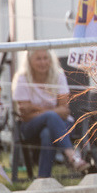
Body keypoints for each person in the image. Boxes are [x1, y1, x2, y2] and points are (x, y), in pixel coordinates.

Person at [12, 49, 88, 177]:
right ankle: (72, 156)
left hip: (62, 125)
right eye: (38, 59)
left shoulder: (58, 75)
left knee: (47, 133)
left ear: (50, 59)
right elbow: (24, 115)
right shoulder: (22, 78)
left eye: (45, 58)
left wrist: (34, 108)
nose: (43, 62)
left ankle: (43, 178)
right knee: (51, 116)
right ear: (30, 61)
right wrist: (50, 113)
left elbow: (64, 111)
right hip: (31, 126)